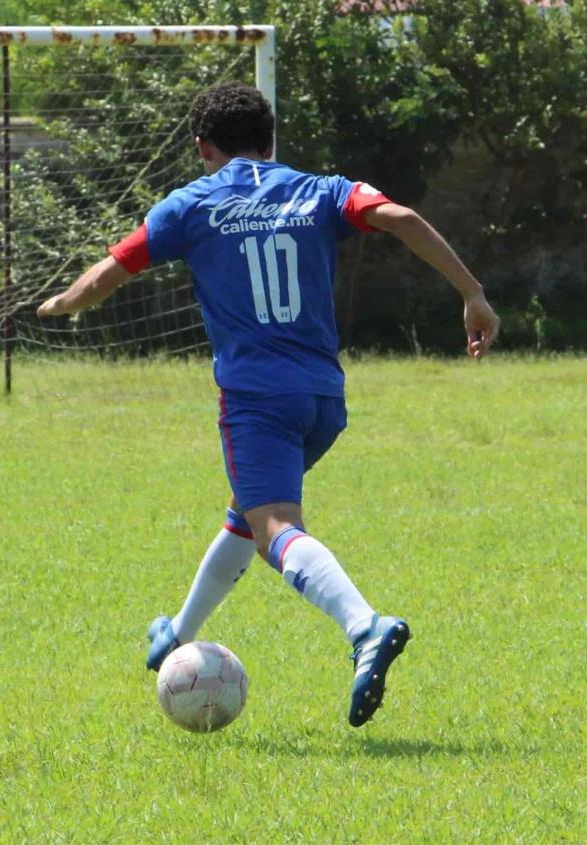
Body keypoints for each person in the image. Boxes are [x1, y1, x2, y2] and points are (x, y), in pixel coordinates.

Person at [38, 82, 499, 727]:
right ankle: (177, 630)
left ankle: (365, 626)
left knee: (275, 528)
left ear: (203, 146)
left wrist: (61, 303)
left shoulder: (189, 205)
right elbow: (398, 217)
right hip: (322, 399)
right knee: (246, 515)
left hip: (255, 398)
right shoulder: (323, 189)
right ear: (270, 139)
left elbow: (110, 271)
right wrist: (472, 294)